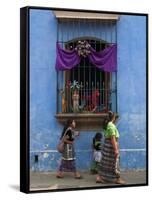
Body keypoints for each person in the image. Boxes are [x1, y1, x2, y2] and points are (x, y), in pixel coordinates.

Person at [96, 111, 125, 184]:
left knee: (105, 162)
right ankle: (117, 179)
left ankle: (99, 177)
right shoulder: (111, 125)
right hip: (111, 147)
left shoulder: (107, 124)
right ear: (114, 117)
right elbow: (113, 138)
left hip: (106, 145)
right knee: (115, 162)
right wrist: (116, 149)